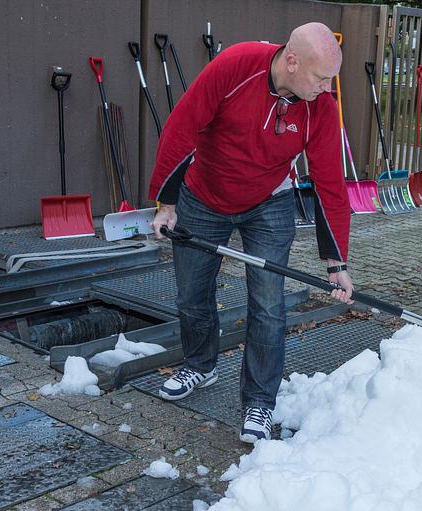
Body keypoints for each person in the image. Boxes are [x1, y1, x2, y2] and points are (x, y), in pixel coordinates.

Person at [148, 22, 354, 444]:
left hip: (269, 203)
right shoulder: (235, 66)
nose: (325, 89)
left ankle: (259, 400)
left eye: (330, 80)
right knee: (192, 293)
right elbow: (180, 128)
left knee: (268, 302)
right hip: (204, 195)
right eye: (319, 78)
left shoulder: (320, 106)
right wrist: (165, 203)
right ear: (292, 60)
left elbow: (331, 181)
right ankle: (200, 366)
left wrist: (337, 262)